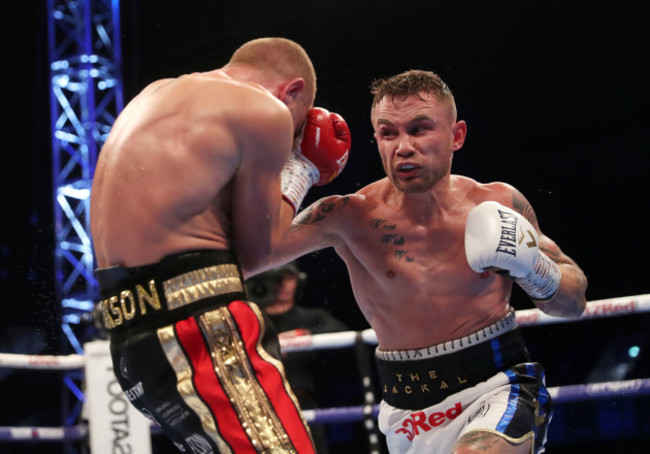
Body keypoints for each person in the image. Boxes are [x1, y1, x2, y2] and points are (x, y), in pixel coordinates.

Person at [244, 69, 588, 453]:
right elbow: (249, 260)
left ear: (456, 136)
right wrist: (297, 171)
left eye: (420, 129)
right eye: (388, 133)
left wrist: (533, 267)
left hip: (499, 386)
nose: (403, 146)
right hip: (405, 410)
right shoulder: (347, 216)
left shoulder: (499, 202)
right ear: (375, 140)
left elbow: (572, 304)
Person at [90, 37, 351, 453]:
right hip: (199, 331)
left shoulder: (151, 97)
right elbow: (257, 254)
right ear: (293, 91)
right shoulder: (264, 110)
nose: (292, 139)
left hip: (130, 338)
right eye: (298, 127)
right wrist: (302, 167)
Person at [245, 262, 348, 453]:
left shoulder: (310, 317)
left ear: (298, 280)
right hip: (259, 401)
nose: (281, 284)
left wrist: (303, 334)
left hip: (301, 400)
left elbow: (342, 333)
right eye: (276, 278)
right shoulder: (252, 319)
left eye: (287, 277)